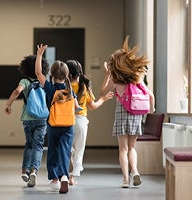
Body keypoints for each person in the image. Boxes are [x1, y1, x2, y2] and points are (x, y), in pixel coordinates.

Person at [100, 36, 155, 188]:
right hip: (136, 114)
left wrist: (107, 75)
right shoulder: (137, 77)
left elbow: (102, 92)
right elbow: (150, 95)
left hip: (122, 113)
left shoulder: (116, 79)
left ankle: (125, 180)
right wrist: (151, 109)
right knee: (132, 148)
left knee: (122, 149)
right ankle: (135, 171)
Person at [35, 44, 78, 194]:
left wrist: (40, 55)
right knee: (65, 151)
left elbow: (38, 72)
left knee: (53, 150)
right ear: (67, 75)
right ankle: (65, 176)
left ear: (52, 75)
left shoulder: (50, 88)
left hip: (53, 124)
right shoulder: (70, 91)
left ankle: (54, 179)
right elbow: (77, 107)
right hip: (68, 125)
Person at [66, 60, 113, 186]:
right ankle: (72, 177)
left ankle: (65, 170)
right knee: (79, 149)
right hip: (80, 121)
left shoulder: (64, 86)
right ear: (79, 72)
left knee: (67, 148)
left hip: (66, 120)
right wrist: (103, 99)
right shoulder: (84, 86)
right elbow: (93, 106)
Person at [5, 54, 49, 187]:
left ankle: (25, 171)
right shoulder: (43, 81)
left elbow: (17, 91)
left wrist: (8, 104)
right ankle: (34, 171)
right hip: (42, 118)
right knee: (38, 146)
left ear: (24, 69)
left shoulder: (24, 82)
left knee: (29, 144)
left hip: (28, 118)